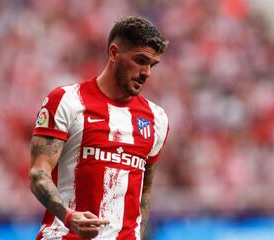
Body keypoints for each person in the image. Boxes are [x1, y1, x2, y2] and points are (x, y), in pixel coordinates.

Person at [29, 16, 169, 240]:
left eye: (152, 65)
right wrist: (69, 217)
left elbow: (145, 191)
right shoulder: (67, 101)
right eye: (140, 60)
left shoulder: (156, 119)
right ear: (114, 53)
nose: (147, 73)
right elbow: (38, 174)